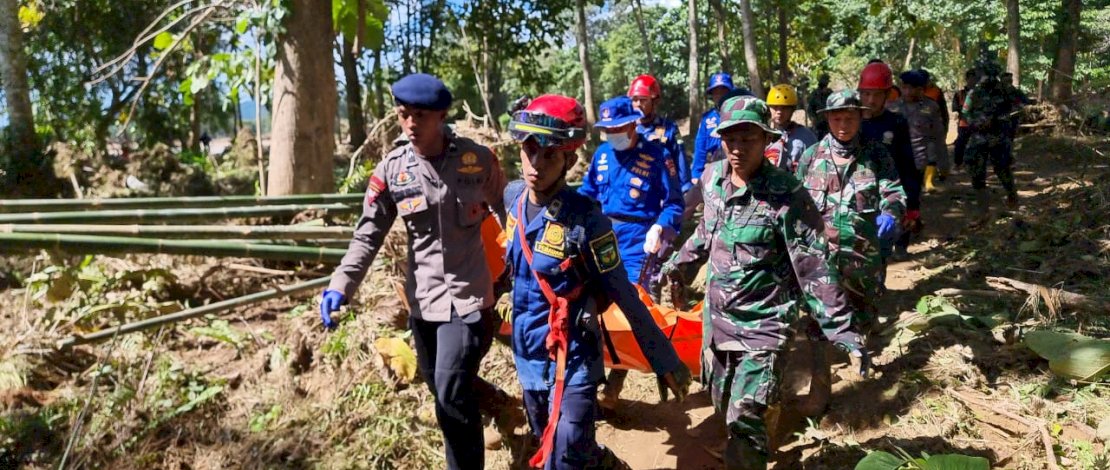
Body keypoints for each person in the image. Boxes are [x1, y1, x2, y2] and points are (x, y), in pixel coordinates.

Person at [660, 95, 868, 470]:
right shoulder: (713, 179)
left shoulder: (787, 193)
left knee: (744, 418)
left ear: (766, 140)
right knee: (726, 409)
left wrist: (843, 330)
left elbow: (813, 265)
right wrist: (677, 265)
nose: (738, 148)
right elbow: (706, 234)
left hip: (764, 329)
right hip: (718, 327)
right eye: (731, 139)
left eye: (749, 139)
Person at [319, 73, 512, 470]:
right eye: (403, 114)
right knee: (445, 395)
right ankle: (500, 411)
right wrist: (341, 284)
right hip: (424, 305)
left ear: (442, 116)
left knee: (451, 387)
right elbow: (367, 234)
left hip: (470, 301)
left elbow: (511, 213)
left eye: (420, 116)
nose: (410, 124)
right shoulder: (392, 170)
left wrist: (524, 273)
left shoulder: (477, 160)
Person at [503, 94, 692, 470]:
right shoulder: (511, 199)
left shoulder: (586, 219)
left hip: (573, 351)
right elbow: (506, 268)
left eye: (550, 155)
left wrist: (664, 359)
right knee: (555, 444)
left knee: (566, 451)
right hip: (528, 353)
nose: (536, 164)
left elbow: (623, 292)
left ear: (569, 160)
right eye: (529, 150)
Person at [797, 90, 906, 330]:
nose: (843, 126)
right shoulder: (811, 157)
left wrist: (890, 213)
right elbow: (796, 205)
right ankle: (824, 365)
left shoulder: (876, 155)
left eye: (850, 119)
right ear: (827, 120)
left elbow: (894, 192)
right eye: (837, 119)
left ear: (860, 118)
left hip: (862, 258)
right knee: (819, 322)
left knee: (863, 318)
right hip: (821, 257)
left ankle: (861, 361)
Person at [578, 96, 684, 288]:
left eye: (617, 128)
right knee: (601, 296)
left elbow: (674, 204)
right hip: (602, 236)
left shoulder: (658, 155)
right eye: (607, 130)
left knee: (635, 298)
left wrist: (660, 227)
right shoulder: (602, 154)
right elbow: (587, 192)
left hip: (639, 241)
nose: (612, 134)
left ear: (633, 124)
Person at [857, 61, 920, 260]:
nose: (871, 100)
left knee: (882, 251)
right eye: (866, 93)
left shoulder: (897, 123)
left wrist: (912, 206)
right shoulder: (850, 121)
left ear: (887, 95)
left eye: (876, 94)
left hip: (887, 195)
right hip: (856, 197)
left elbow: (908, 165)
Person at [965, 61, 1019, 220]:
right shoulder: (974, 93)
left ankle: (1012, 196)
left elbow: (1016, 111)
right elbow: (966, 113)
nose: (985, 78)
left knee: (1003, 169)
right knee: (977, 172)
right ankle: (982, 209)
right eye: (982, 75)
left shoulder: (1005, 91)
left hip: (999, 137)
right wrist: (976, 124)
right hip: (979, 137)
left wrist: (1000, 123)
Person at [629, 74, 692, 192]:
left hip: (664, 193)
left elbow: (680, 159)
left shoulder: (669, 128)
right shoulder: (627, 129)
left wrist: (685, 189)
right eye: (634, 99)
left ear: (655, 101)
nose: (637, 104)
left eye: (642, 100)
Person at [887, 70, 945, 194]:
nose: (907, 92)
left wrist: (943, 163)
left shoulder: (931, 107)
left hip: (920, 161)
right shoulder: (892, 107)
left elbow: (938, 137)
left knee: (913, 195)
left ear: (920, 89)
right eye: (904, 87)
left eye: (911, 88)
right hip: (897, 160)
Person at [692, 72, 736, 186]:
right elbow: (700, 147)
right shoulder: (707, 119)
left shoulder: (739, 115)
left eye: (724, 91)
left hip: (739, 167)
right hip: (716, 169)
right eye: (716, 92)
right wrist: (696, 174)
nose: (720, 95)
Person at [765, 84, 819, 171]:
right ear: (769, 108)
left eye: (784, 108)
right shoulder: (761, 135)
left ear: (792, 109)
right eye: (775, 107)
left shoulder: (806, 137)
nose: (779, 112)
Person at [920, 69, 951, 180]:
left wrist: (945, 126)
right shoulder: (915, 91)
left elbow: (943, 111)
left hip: (936, 125)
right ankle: (926, 177)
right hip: (920, 127)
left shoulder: (936, 91)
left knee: (940, 150)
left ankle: (943, 172)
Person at [952, 69, 979, 171]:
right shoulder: (960, 94)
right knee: (960, 143)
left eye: (975, 79)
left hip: (978, 123)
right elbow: (955, 108)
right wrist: (956, 113)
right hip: (964, 123)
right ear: (967, 79)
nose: (973, 81)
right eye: (971, 79)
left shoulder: (980, 93)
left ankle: (974, 164)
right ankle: (958, 163)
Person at [806, 73, 833, 139]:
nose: (825, 83)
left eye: (826, 81)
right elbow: (810, 109)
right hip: (818, 123)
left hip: (829, 123)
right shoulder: (815, 94)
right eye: (824, 81)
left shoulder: (830, 93)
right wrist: (813, 119)